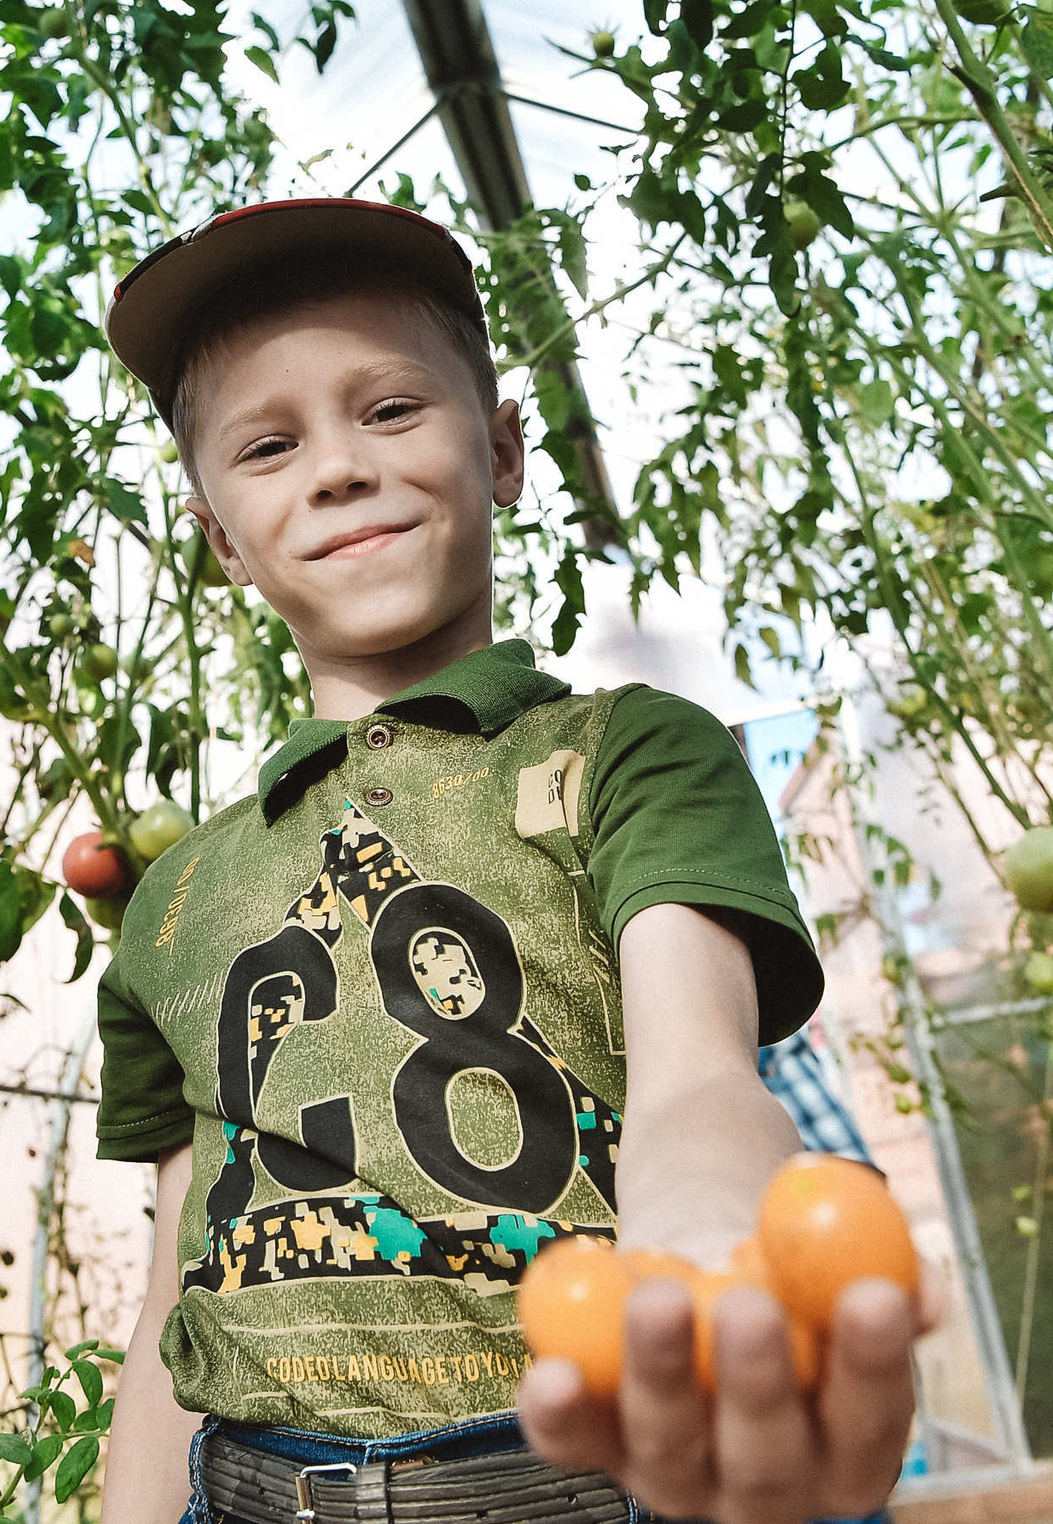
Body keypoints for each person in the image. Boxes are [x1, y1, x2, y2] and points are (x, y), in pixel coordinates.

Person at [91, 199, 927, 1524]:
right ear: (221, 538)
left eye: (390, 411)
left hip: (590, 1483)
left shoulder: (628, 753)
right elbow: (177, 1292)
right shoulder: (175, 905)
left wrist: (705, 1253)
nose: (338, 470)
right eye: (268, 444)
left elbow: (698, 1073)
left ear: (504, 450)